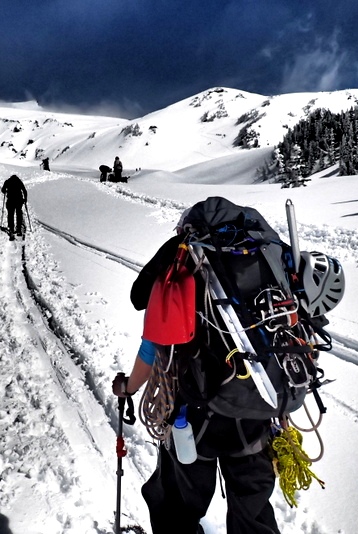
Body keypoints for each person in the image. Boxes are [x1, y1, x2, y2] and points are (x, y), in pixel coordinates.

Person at [112, 208, 281, 534]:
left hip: (193, 424)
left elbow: (152, 348)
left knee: (175, 509)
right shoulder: (261, 266)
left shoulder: (177, 272)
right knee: (254, 517)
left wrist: (129, 388)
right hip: (256, 419)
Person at [1, 174, 27, 241]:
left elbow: (3, 190)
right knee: (19, 214)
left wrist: (6, 191)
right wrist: (25, 199)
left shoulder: (7, 181)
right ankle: (18, 230)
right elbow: (24, 190)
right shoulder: (19, 181)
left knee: (10, 214)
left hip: (10, 200)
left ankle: (11, 229)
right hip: (19, 200)